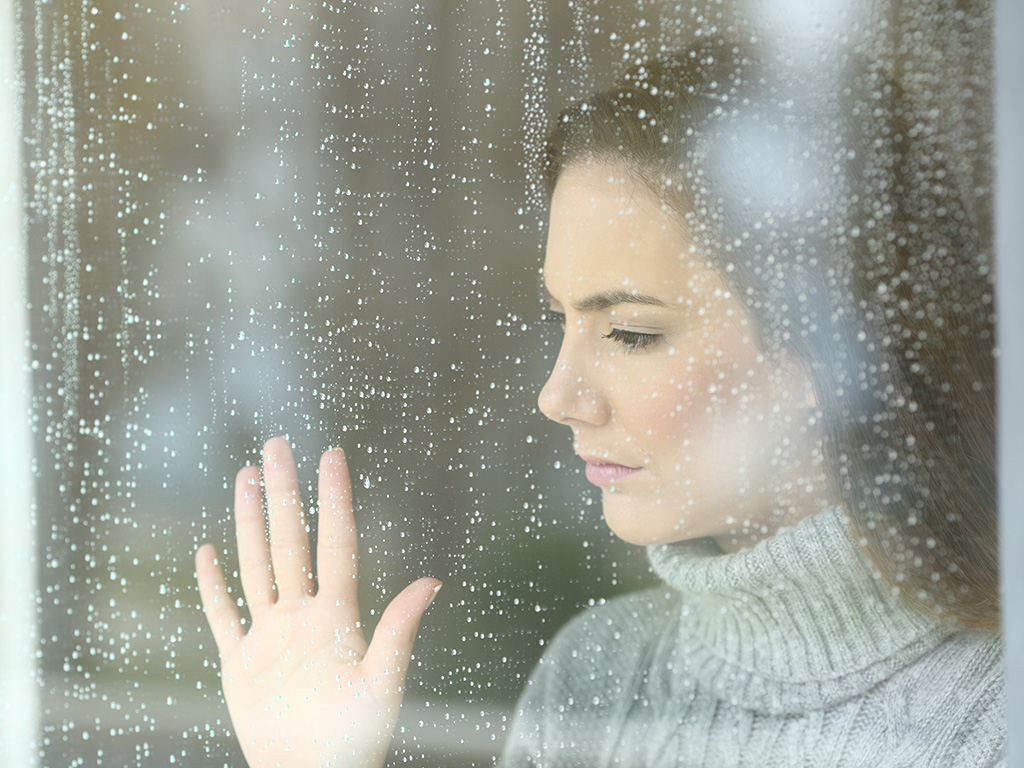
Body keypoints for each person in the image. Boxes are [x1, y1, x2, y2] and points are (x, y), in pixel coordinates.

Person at [195, 43, 1004, 767]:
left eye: (630, 332)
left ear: (832, 343)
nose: (557, 396)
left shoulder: (1000, 717)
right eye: (561, 319)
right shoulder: (595, 678)